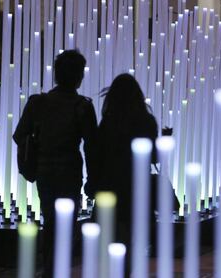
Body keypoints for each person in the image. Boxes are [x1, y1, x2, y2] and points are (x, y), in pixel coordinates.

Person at [13, 49, 98, 278]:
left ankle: (50, 267)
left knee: (50, 217)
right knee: (66, 223)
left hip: (44, 171)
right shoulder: (82, 106)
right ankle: (55, 268)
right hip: (70, 172)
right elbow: (92, 147)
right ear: (79, 76)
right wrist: (94, 179)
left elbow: (19, 135)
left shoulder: (38, 103)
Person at [84, 73, 158, 275]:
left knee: (110, 238)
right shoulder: (147, 122)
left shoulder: (107, 124)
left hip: (110, 188)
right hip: (136, 189)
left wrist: (92, 181)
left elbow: (95, 154)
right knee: (133, 240)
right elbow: (153, 157)